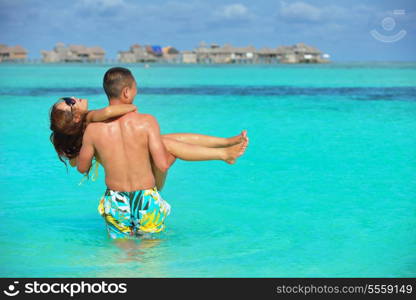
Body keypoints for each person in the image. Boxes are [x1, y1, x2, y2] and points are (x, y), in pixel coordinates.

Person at [49, 67, 248, 239]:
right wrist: (132, 109)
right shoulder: (130, 121)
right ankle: (224, 153)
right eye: (69, 102)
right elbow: (162, 164)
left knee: (122, 249)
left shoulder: (91, 129)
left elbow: (81, 166)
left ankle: (225, 144)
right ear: (127, 92)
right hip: (145, 192)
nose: (72, 97)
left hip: (116, 198)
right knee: (151, 250)